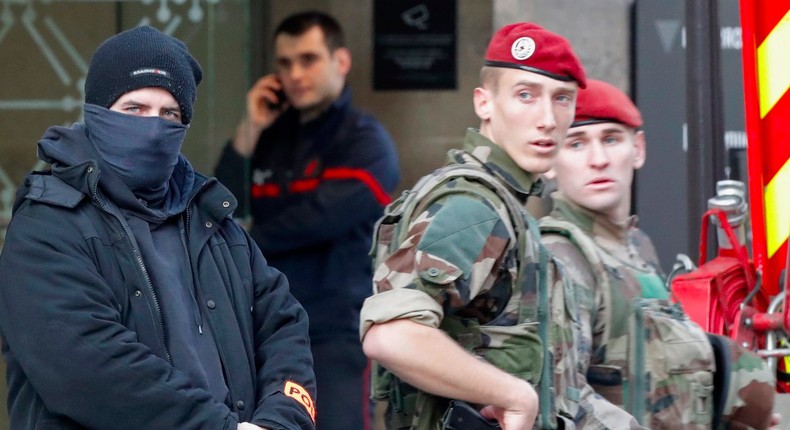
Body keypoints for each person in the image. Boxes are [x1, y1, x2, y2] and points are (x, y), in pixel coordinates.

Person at [0, 26, 316, 430]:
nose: (153, 127)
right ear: (97, 112)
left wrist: (281, 420)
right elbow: (90, 369)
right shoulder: (48, 226)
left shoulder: (213, 220)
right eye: (134, 108)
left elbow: (283, 325)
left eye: (170, 114)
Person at [360, 23, 648, 430]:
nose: (547, 119)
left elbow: (558, 395)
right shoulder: (473, 207)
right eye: (526, 95)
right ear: (485, 102)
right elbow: (391, 335)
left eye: (562, 99)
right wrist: (512, 395)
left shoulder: (510, 208)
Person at [539, 79, 777, 429]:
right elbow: (562, 400)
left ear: (638, 149)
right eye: (576, 144)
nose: (599, 160)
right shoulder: (560, 255)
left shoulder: (636, 246)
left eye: (611, 139)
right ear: (549, 162)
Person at [214, 10, 400, 430]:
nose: (295, 73)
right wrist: (251, 127)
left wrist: (247, 238)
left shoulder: (365, 141)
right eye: (285, 63)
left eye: (309, 59)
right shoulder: (270, 138)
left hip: (335, 333)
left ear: (341, 62)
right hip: (263, 329)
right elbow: (220, 203)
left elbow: (319, 219)